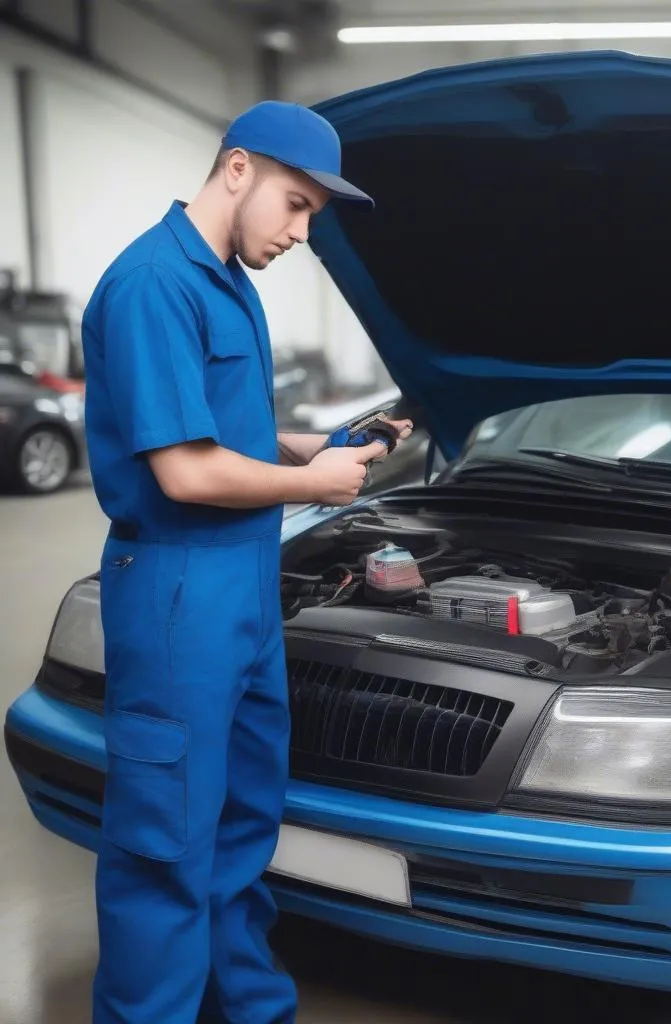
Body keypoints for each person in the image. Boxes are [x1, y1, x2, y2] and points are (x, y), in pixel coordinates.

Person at [80, 100, 411, 1023]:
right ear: (238, 169)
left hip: (244, 587)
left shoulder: (227, 282)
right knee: (166, 846)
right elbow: (184, 470)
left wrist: (314, 446)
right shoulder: (156, 283)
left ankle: (252, 1011)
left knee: (239, 826)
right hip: (179, 591)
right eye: (296, 206)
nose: (302, 232)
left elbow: (227, 433)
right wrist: (318, 489)